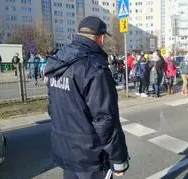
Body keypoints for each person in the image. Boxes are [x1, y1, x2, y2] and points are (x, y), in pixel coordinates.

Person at [44, 16, 129, 179]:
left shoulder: (58, 60)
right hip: (91, 157)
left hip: (66, 150)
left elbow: (52, 108)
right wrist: (119, 158)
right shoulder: (94, 66)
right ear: (101, 38)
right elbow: (105, 119)